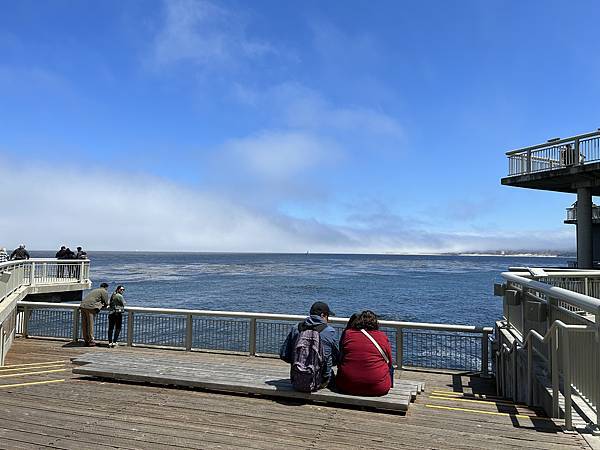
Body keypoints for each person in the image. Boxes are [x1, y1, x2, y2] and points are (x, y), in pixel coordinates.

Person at [279, 301, 339, 392]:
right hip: (321, 381)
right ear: (323, 315)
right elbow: (337, 358)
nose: (328, 320)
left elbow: (284, 355)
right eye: (327, 316)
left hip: (296, 380)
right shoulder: (330, 331)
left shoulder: (296, 328)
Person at [335, 310, 394, 397]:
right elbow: (389, 362)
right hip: (378, 388)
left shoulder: (348, 334)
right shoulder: (382, 336)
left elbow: (341, 357)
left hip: (346, 385)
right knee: (390, 368)